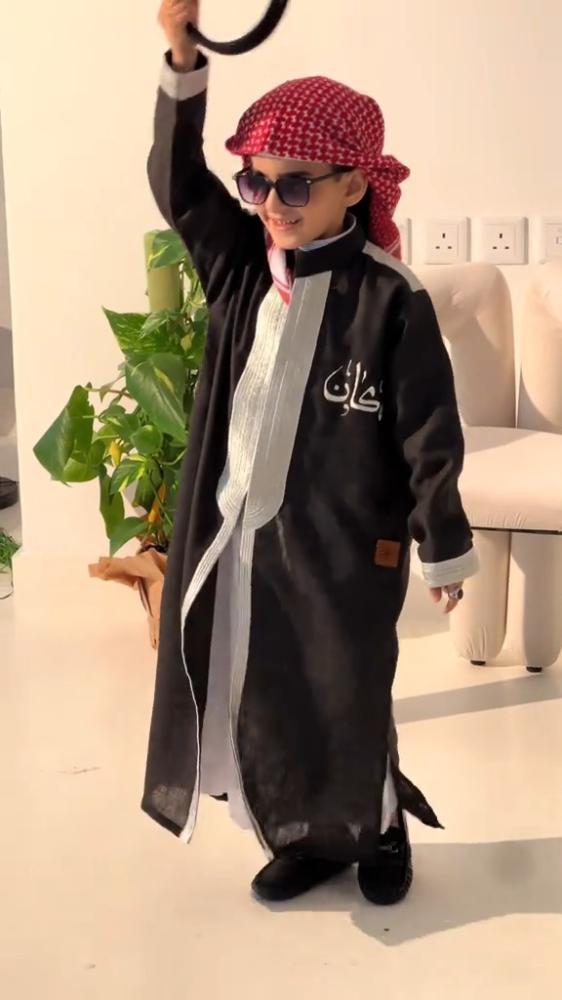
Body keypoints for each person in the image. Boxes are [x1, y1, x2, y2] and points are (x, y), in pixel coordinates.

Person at [142, 0, 479, 905]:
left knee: (345, 691)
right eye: (256, 184)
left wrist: (443, 544)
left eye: (296, 186)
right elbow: (178, 183)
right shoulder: (241, 269)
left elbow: (429, 433)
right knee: (267, 689)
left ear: (354, 185)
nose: (270, 205)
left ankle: (380, 829)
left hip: (347, 550)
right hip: (244, 538)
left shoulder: (391, 298)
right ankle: (302, 835)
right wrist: (183, 61)